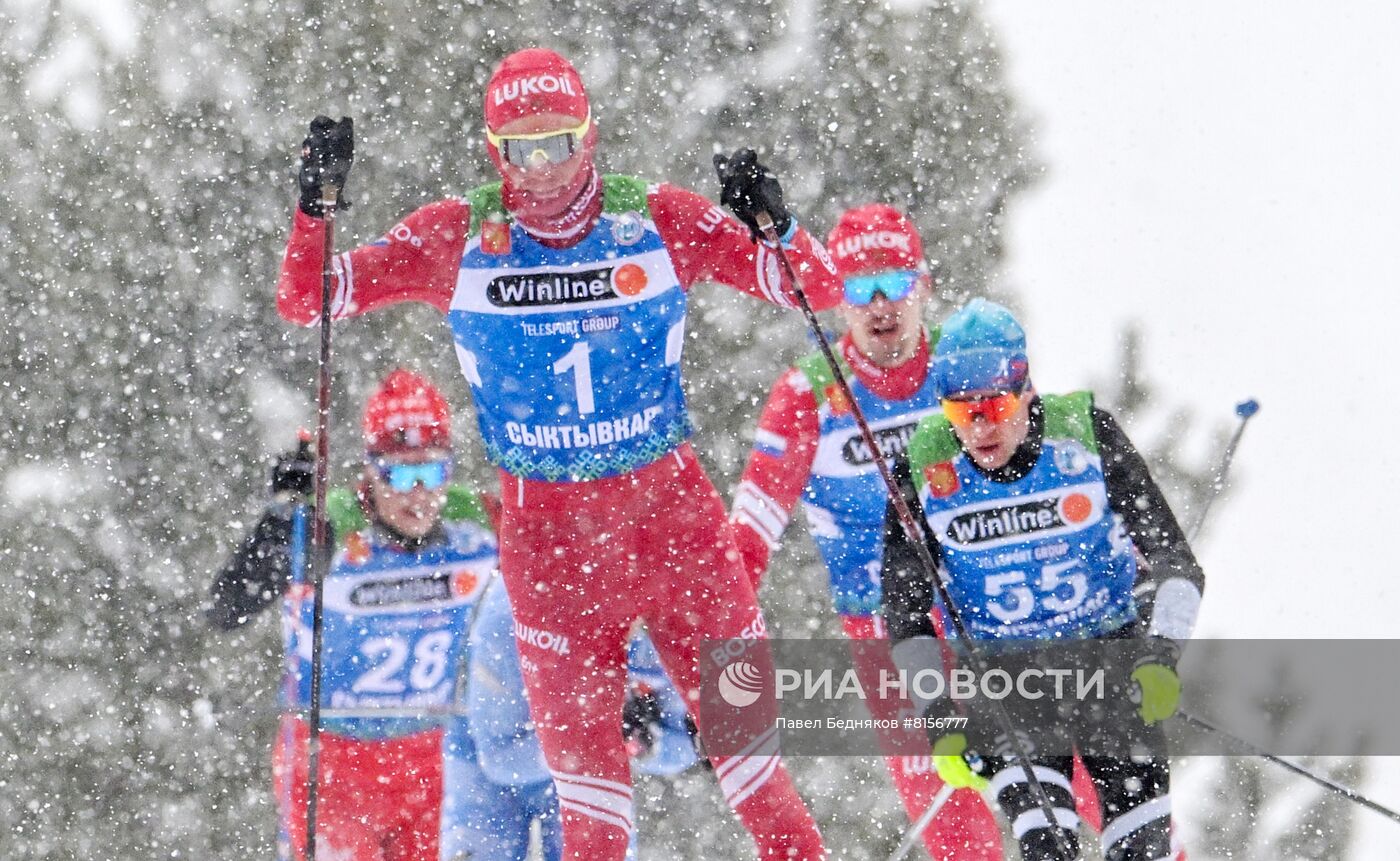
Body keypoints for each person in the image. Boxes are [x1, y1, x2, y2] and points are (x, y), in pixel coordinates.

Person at [276, 47, 840, 861]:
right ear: (491, 148)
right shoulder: (458, 238)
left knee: (754, 767)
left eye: (559, 142)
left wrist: (775, 225)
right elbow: (310, 300)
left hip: (675, 528)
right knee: (592, 810)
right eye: (519, 149)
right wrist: (313, 211)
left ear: (592, 135)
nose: (542, 170)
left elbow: (813, 291)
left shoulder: (656, 219)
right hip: (551, 550)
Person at [881, 299, 1202, 861]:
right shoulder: (922, 471)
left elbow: (1177, 562)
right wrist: (937, 716)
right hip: (1007, 682)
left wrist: (1162, 655)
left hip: (1109, 663)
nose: (980, 429)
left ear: (1027, 391)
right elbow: (905, 612)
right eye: (961, 413)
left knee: (1142, 850)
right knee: (1047, 848)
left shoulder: (1087, 438)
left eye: (996, 407)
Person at [729, 204, 1002, 860]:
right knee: (952, 812)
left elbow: (1037, 472)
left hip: (989, 603)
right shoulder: (809, 394)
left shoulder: (964, 368)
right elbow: (749, 535)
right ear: (834, 298)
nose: (880, 306)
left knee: (1088, 771)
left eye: (895, 284)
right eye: (858, 288)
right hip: (884, 627)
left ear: (923, 284)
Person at [209, 369, 497, 861]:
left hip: (431, 760)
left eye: (435, 472)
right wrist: (279, 524)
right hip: (332, 761)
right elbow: (227, 609)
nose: (419, 493)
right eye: (401, 475)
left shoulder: (475, 526)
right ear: (370, 471)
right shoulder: (331, 528)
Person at [444, 577, 698, 861]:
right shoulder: (510, 616)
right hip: (496, 764)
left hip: (586, 765)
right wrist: (595, 737)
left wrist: (643, 742)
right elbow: (499, 759)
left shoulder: (701, 616)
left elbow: (711, 746)